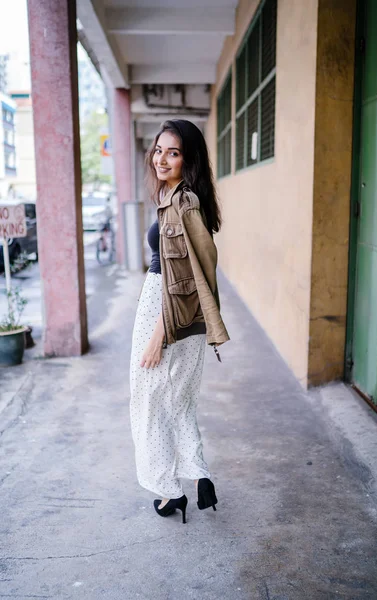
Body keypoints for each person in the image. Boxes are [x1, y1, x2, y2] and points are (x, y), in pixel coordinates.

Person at [129, 119, 230, 524]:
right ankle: (199, 477)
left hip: (166, 314)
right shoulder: (182, 198)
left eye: (173, 152)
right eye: (158, 150)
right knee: (178, 401)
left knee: (149, 403)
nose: (161, 159)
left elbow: (186, 281)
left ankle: (170, 492)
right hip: (182, 319)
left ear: (188, 159)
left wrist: (159, 336)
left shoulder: (183, 204)